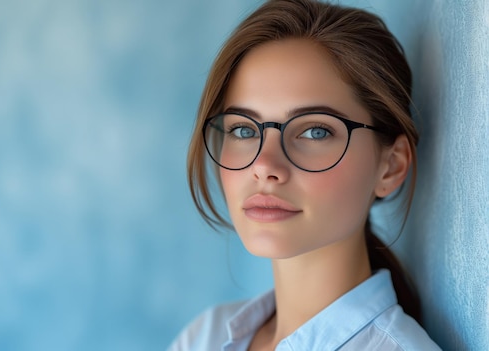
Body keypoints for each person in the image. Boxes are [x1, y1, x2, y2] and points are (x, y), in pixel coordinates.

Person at [169, 0, 441, 350]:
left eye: (314, 131)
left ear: (391, 166)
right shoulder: (204, 338)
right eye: (243, 130)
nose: (264, 165)